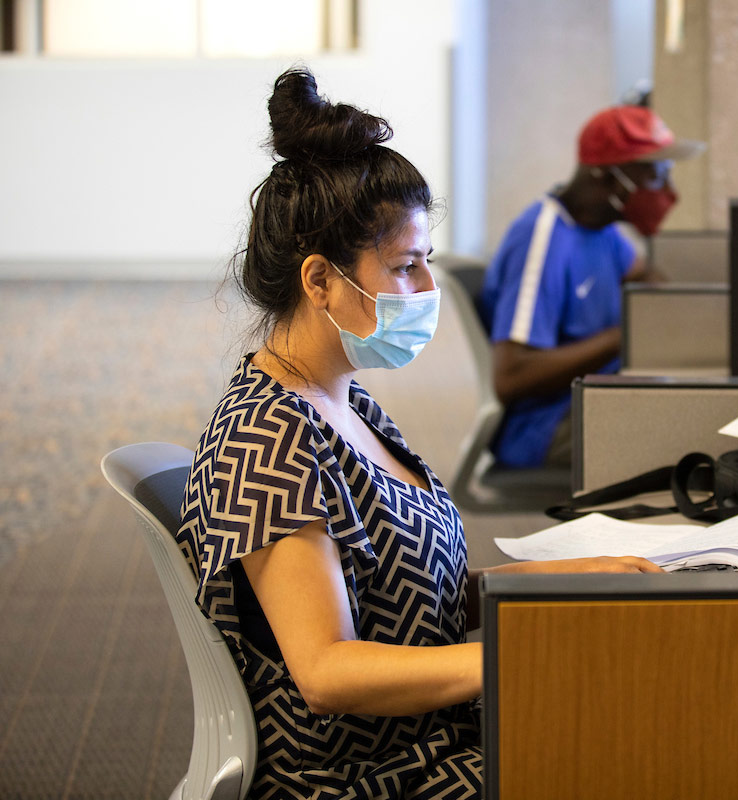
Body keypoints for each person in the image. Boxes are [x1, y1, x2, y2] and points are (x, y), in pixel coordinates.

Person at [176, 68, 661, 800]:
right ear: (319, 281)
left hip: (438, 732)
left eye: (427, 261)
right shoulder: (267, 439)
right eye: (405, 268)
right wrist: (527, 650)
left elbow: (410, 596)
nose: (428, 290)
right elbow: (328, 671)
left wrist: (564, 586)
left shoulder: (344, 399)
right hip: (372, 775)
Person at [479, 104, 705, 469]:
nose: (668, 190)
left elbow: (647, 282)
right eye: (655, 174)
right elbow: (511, 376)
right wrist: (627, 333)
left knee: (698, 411)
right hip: (546, 424)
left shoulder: (604, 231)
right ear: (608, 177)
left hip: (600, 396)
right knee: (693, 433)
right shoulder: (542, 239)